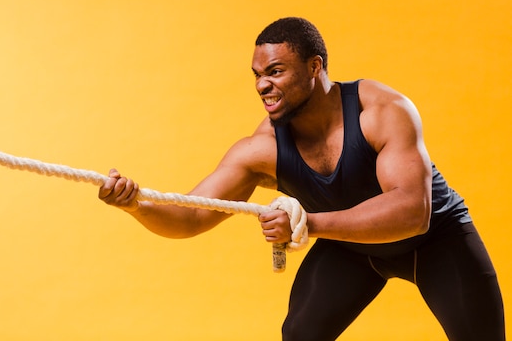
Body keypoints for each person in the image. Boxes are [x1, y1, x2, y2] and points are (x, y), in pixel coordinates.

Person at [98, 17, 505, 340]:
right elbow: (189, 217)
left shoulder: (381, 111)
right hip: (351, 248)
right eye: (257, 74)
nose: (262, 85)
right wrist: (135, 205)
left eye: (275, 71)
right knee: (300, 334)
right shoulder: (262, 150)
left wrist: (308, 223)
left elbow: (412, 212)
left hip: (436, 239)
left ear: (315, 67)